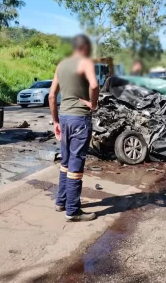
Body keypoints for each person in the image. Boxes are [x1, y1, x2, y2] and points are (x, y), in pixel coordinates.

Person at [48, 34, 99, 222]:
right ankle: (73, 210)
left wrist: (56, 122)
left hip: (65, 118)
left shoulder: (61, 65)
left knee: (66, 162)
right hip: (79, 119)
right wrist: (93, 104)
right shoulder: (86, 62)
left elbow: (52, 96)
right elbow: (94, 85)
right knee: (76, 164)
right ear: (85, 47)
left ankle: (61, 202)